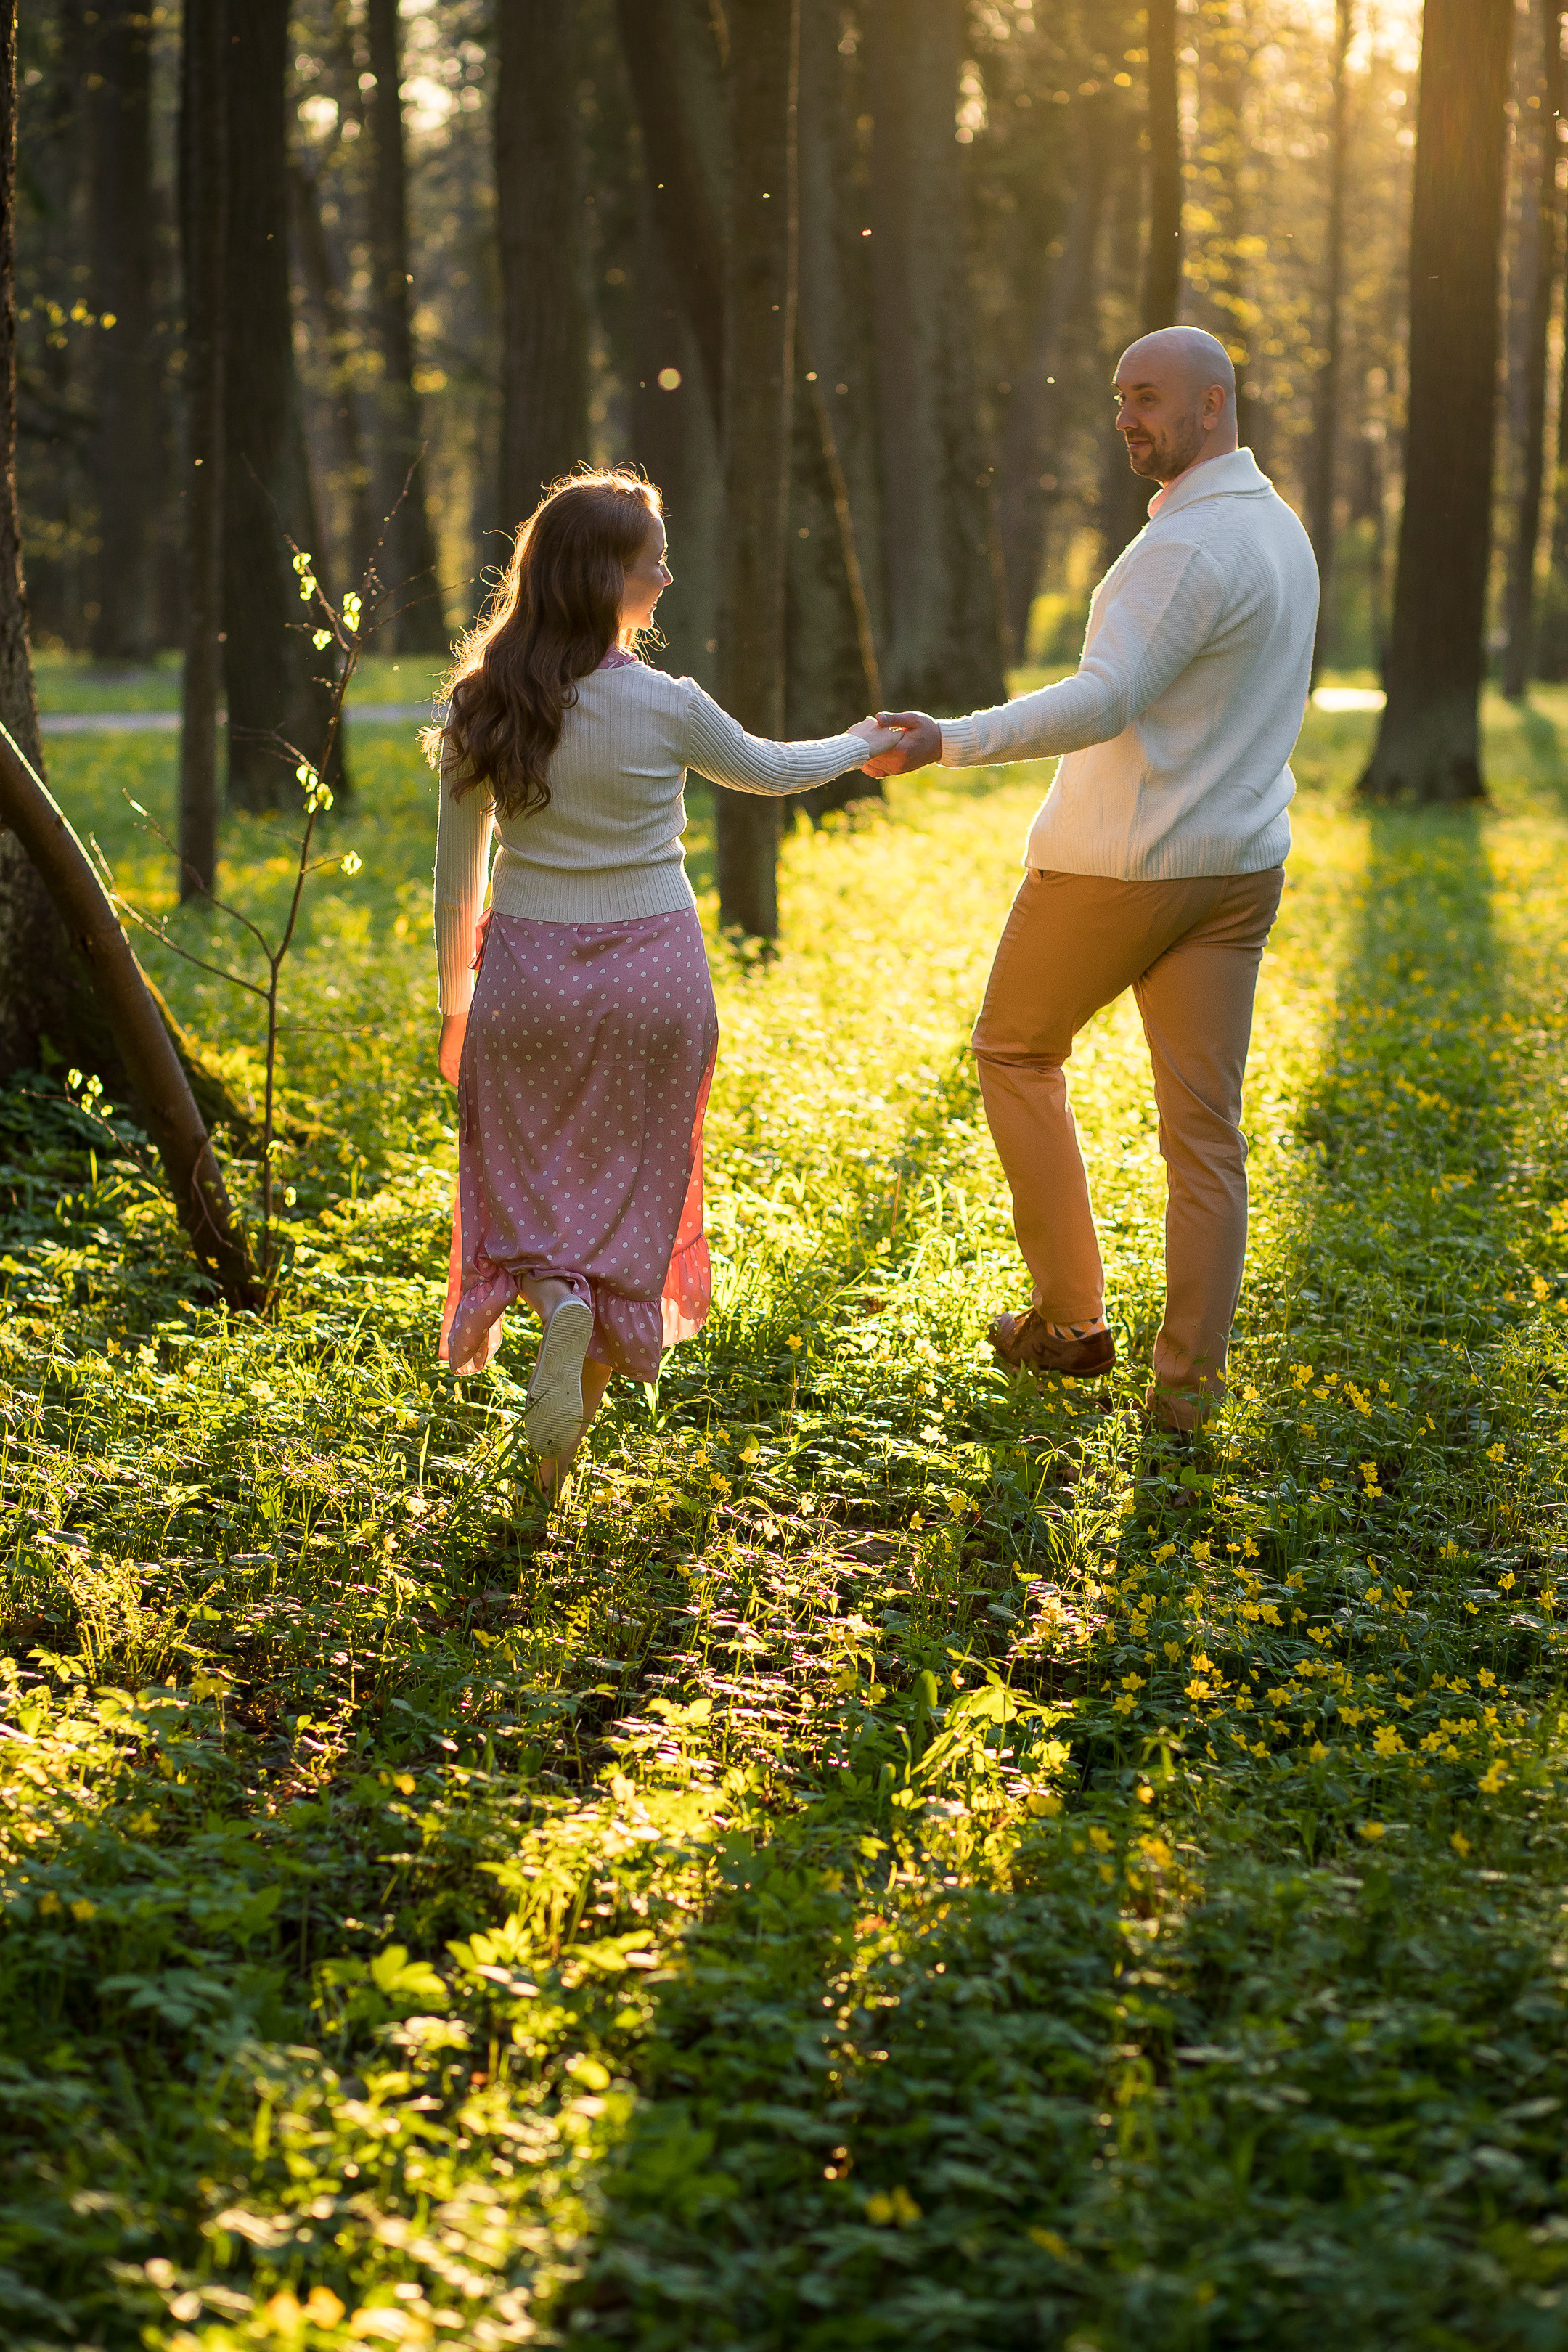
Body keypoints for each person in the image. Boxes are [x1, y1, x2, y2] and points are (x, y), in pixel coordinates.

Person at [863, 326, 1319, 1431]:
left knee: (1016, 1049)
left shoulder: (1186, 550)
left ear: (1215, 406)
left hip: (1122, 867)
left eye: (1150, 397)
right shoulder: (1281, 532)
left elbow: (1103, 699)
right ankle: (1189, 1393)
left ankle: (1068, 1324)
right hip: (1239, 871)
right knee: (1207, 1133)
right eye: (1120, 396)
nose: (1126, 416)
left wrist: (947, 739)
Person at [430, 467, 894, 1482]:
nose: (670, 577)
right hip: (656, 979)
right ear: (605, 578)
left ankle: (554, 1307)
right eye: (655, 562)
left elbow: (457, 880)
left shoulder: (485, 700)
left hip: (527, 982)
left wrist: (453, 1010)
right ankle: (555, 1468)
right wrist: (862, 744)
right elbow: (771, 770)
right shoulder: (667, 706)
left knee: (524, 1189)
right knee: (628, 1202)